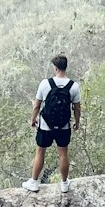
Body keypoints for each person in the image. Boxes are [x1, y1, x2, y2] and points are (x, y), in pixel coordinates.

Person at [22, 53, 82, 193]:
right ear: (65, 68)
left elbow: (37, 105)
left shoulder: (45, 84)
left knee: (40, 152)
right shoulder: (74, 86)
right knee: (63, 153)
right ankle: (64, 183)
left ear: (55, 68)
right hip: (64, 126)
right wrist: (77, 122)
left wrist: (33, 119)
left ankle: (34, 182)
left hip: (45, 125)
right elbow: (77, 108)